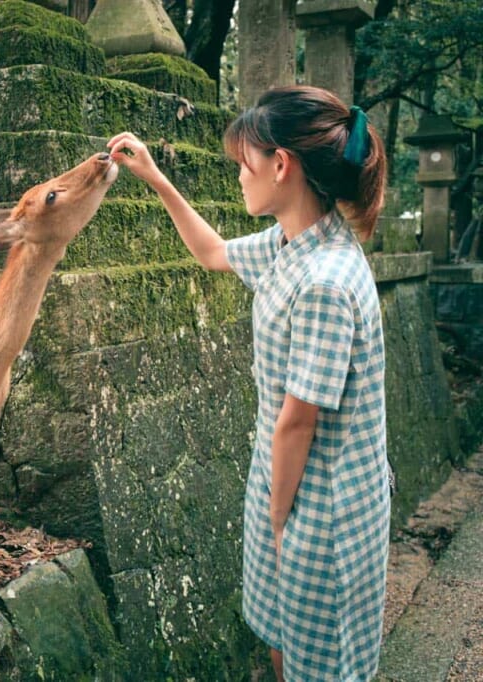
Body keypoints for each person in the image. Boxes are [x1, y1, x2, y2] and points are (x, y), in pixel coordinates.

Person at [108, 85, 390, 681]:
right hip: (284, 490)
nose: (239, 176)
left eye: (244, 163)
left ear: (281, 166)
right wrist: (157, 179)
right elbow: (213, 253)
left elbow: (298, 422)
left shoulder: (325, 281)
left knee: (324, 664)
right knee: (283, 641)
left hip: (320, 511)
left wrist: (280, 522)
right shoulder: (293, 241)